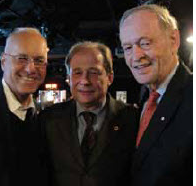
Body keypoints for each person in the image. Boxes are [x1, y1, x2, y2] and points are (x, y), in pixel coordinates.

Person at [40, 42, 138, 186]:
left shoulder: (132, 119)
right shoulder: (48, 119)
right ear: (69, 78)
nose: (85, 81)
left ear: (109, 78)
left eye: (94, 72)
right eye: (77, 72)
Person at [119, 4, 193, 186]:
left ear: (174, 40)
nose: (136, 56)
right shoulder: (146, 93)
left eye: (145, 43)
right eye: (128, 48)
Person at [0, 28, 49, 186]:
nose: (31, 69)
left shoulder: (44, 118)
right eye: (22, 58)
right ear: (3, 62)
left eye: (39, 60)